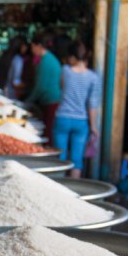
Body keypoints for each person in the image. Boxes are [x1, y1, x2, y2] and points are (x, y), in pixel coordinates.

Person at [53, 41, 100, 179]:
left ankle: (56, 190)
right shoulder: (93, 77)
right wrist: (93, 126)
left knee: (60, 159)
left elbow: (61, 88)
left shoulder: (65, 70)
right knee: (76, 160)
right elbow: (92, 104)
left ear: (72, 57)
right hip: (81, 121)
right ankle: (74, 193)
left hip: (63, 118)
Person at [25, 32, 62, 143]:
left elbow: (40, 87)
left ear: (39, 46)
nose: (31, 49)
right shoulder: (48, 59)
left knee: (47, 133)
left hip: (51, 102)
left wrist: (28, 101)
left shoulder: (46, 62)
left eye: (32, 46)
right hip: (50, 101)